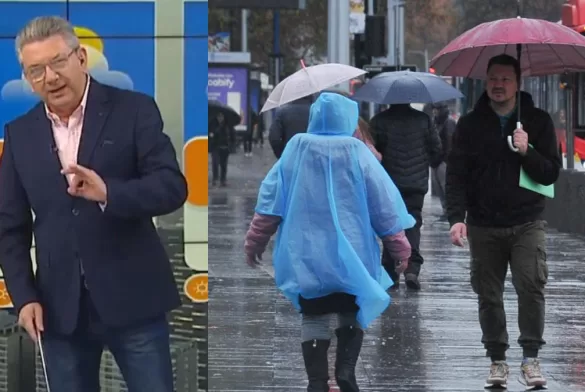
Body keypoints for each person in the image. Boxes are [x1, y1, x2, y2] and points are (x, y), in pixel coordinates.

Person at [0, 16, 188, 391]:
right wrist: (24, 298)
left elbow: (172, 187)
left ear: (81, 58)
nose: (50, 77)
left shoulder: (134, 110)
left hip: (134, 300)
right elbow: (9, 227)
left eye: (57, 63)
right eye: (36, 70)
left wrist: (110, 194)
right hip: (58, 310)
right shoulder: (19, 134)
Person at [244, 93, 415, 392]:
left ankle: (317, 381)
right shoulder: (357, 152)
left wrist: (254, 244)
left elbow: (270, 202)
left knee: (313, 315)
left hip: (307, 255)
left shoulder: (296, 148)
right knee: (350, 310)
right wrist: (399, 247)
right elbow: (383, 206)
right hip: (353, 253)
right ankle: (346, 371)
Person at [446, 54, 561, 390]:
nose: (498, 85)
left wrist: (528, 151)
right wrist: (457, 219)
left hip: (527, 221)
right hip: (483, 224)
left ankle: (530, 357)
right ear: (486, 82)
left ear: (517, 84)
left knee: (531, 286)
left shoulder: (538, 121)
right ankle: (497, 359)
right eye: (493, 79)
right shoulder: (469, 125)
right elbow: (457, 176)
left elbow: (551, 172)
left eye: (505, 79)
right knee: (488, 295)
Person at [370, 103, 443, 291]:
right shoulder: (424, 120)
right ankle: (412, 268)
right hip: (415, 185)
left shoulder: (379, 120)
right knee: (413, 224)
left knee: (390, 225)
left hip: (388, 184)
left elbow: (372, 152)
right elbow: (436, 151)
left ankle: (391, 272)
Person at [431, 102, 457, 217]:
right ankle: (445, 209)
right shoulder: (435, 122)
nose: (434, 111)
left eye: (436, 109)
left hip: (443, 161)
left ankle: (450, 209)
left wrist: (445, 160)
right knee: (439, 188)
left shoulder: (448, 122)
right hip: (436, 160)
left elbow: (450, 143)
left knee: (445, 186)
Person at [209, 112, 236, 186]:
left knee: (223, 165)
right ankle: (215, 178)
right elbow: (210, 135)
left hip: (225, 147)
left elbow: (232, 135)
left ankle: (223, 179)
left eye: (221, 116)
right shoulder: (213, 124)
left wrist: (231, 146)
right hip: (215, 147)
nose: (220, 118)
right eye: (218, 116)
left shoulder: (228, 125)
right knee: (215, 163)